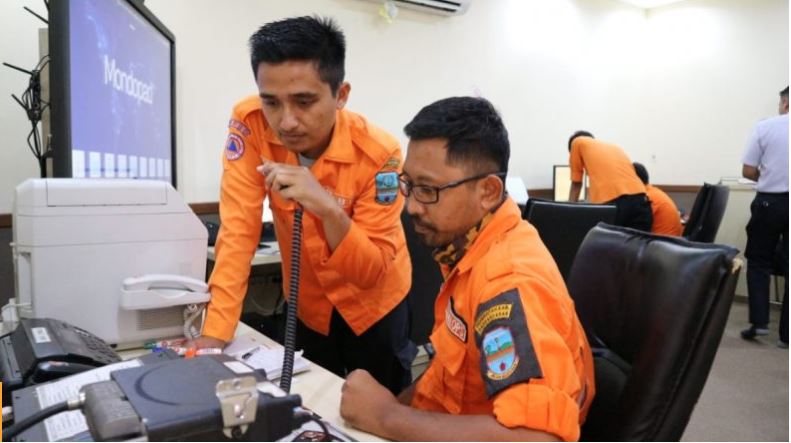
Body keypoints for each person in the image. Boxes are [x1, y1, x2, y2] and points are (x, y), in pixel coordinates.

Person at [340, 97, 595, 441]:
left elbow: (538, 437)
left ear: (488, 191)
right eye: (409, 185)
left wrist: (387, 417)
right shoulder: (467, 249)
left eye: (428, 190)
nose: (412, 206)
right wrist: (386, 413)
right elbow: (446, 375)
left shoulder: (508, 283)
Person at [194, 16, 416, 393]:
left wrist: (327, 208)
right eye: (271, 102)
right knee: (310, 404)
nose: (287, 122)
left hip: (374, 308)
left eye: (304, 101)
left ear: (341, 95)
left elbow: (370, 271)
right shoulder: (250, 123)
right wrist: (214, 336)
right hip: (309, 306)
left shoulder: (381, 154)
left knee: (381, 410)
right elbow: (238, 232)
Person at [740, 86, 789, 348]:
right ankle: (787, 335)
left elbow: (748, 171)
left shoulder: (766, 126)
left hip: (770, 202)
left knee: (759, 260)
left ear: (785, 103)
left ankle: (759, 322)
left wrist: (768, 175)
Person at [567, 131, 653, 231]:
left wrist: (568, 214)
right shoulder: (614, 147)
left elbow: (576, 184)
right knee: (636, 240)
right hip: (641, 200)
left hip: (616, 206)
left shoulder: (576, 142)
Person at [632, 162, 683, 236]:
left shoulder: (647, 197)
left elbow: (633, 226)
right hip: (667, 240)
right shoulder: (653, 192)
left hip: (662, 241)